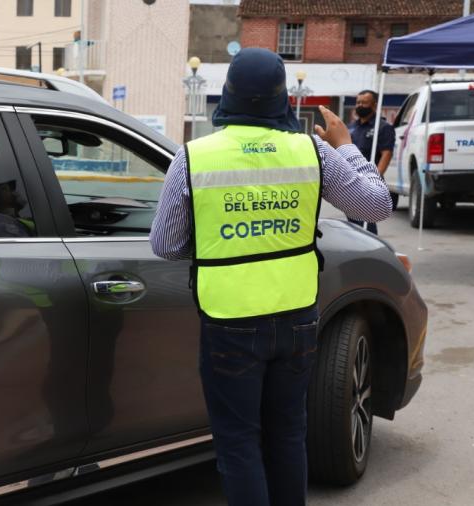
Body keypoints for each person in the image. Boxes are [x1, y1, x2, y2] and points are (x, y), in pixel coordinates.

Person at [149, 48, 392, 506]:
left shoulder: (194, 157)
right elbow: (377, 205)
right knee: (287, 435)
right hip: (296, 317)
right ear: (283, 98)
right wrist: (346, 145)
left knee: (240, 444)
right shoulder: (312, 150)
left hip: (229, 320)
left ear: (228, 96)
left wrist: (218, 247)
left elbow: (164, 244)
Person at [346, 89, 396, 234]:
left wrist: (375, 178)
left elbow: (386, 154)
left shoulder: (383, 128)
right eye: (358, 102)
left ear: (374, 105)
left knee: (366, 225)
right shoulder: (351, 128)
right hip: (351, 180)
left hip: (368, 181)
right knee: (354, 223)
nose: (360, 105)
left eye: (364, 102)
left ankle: (371, 250)